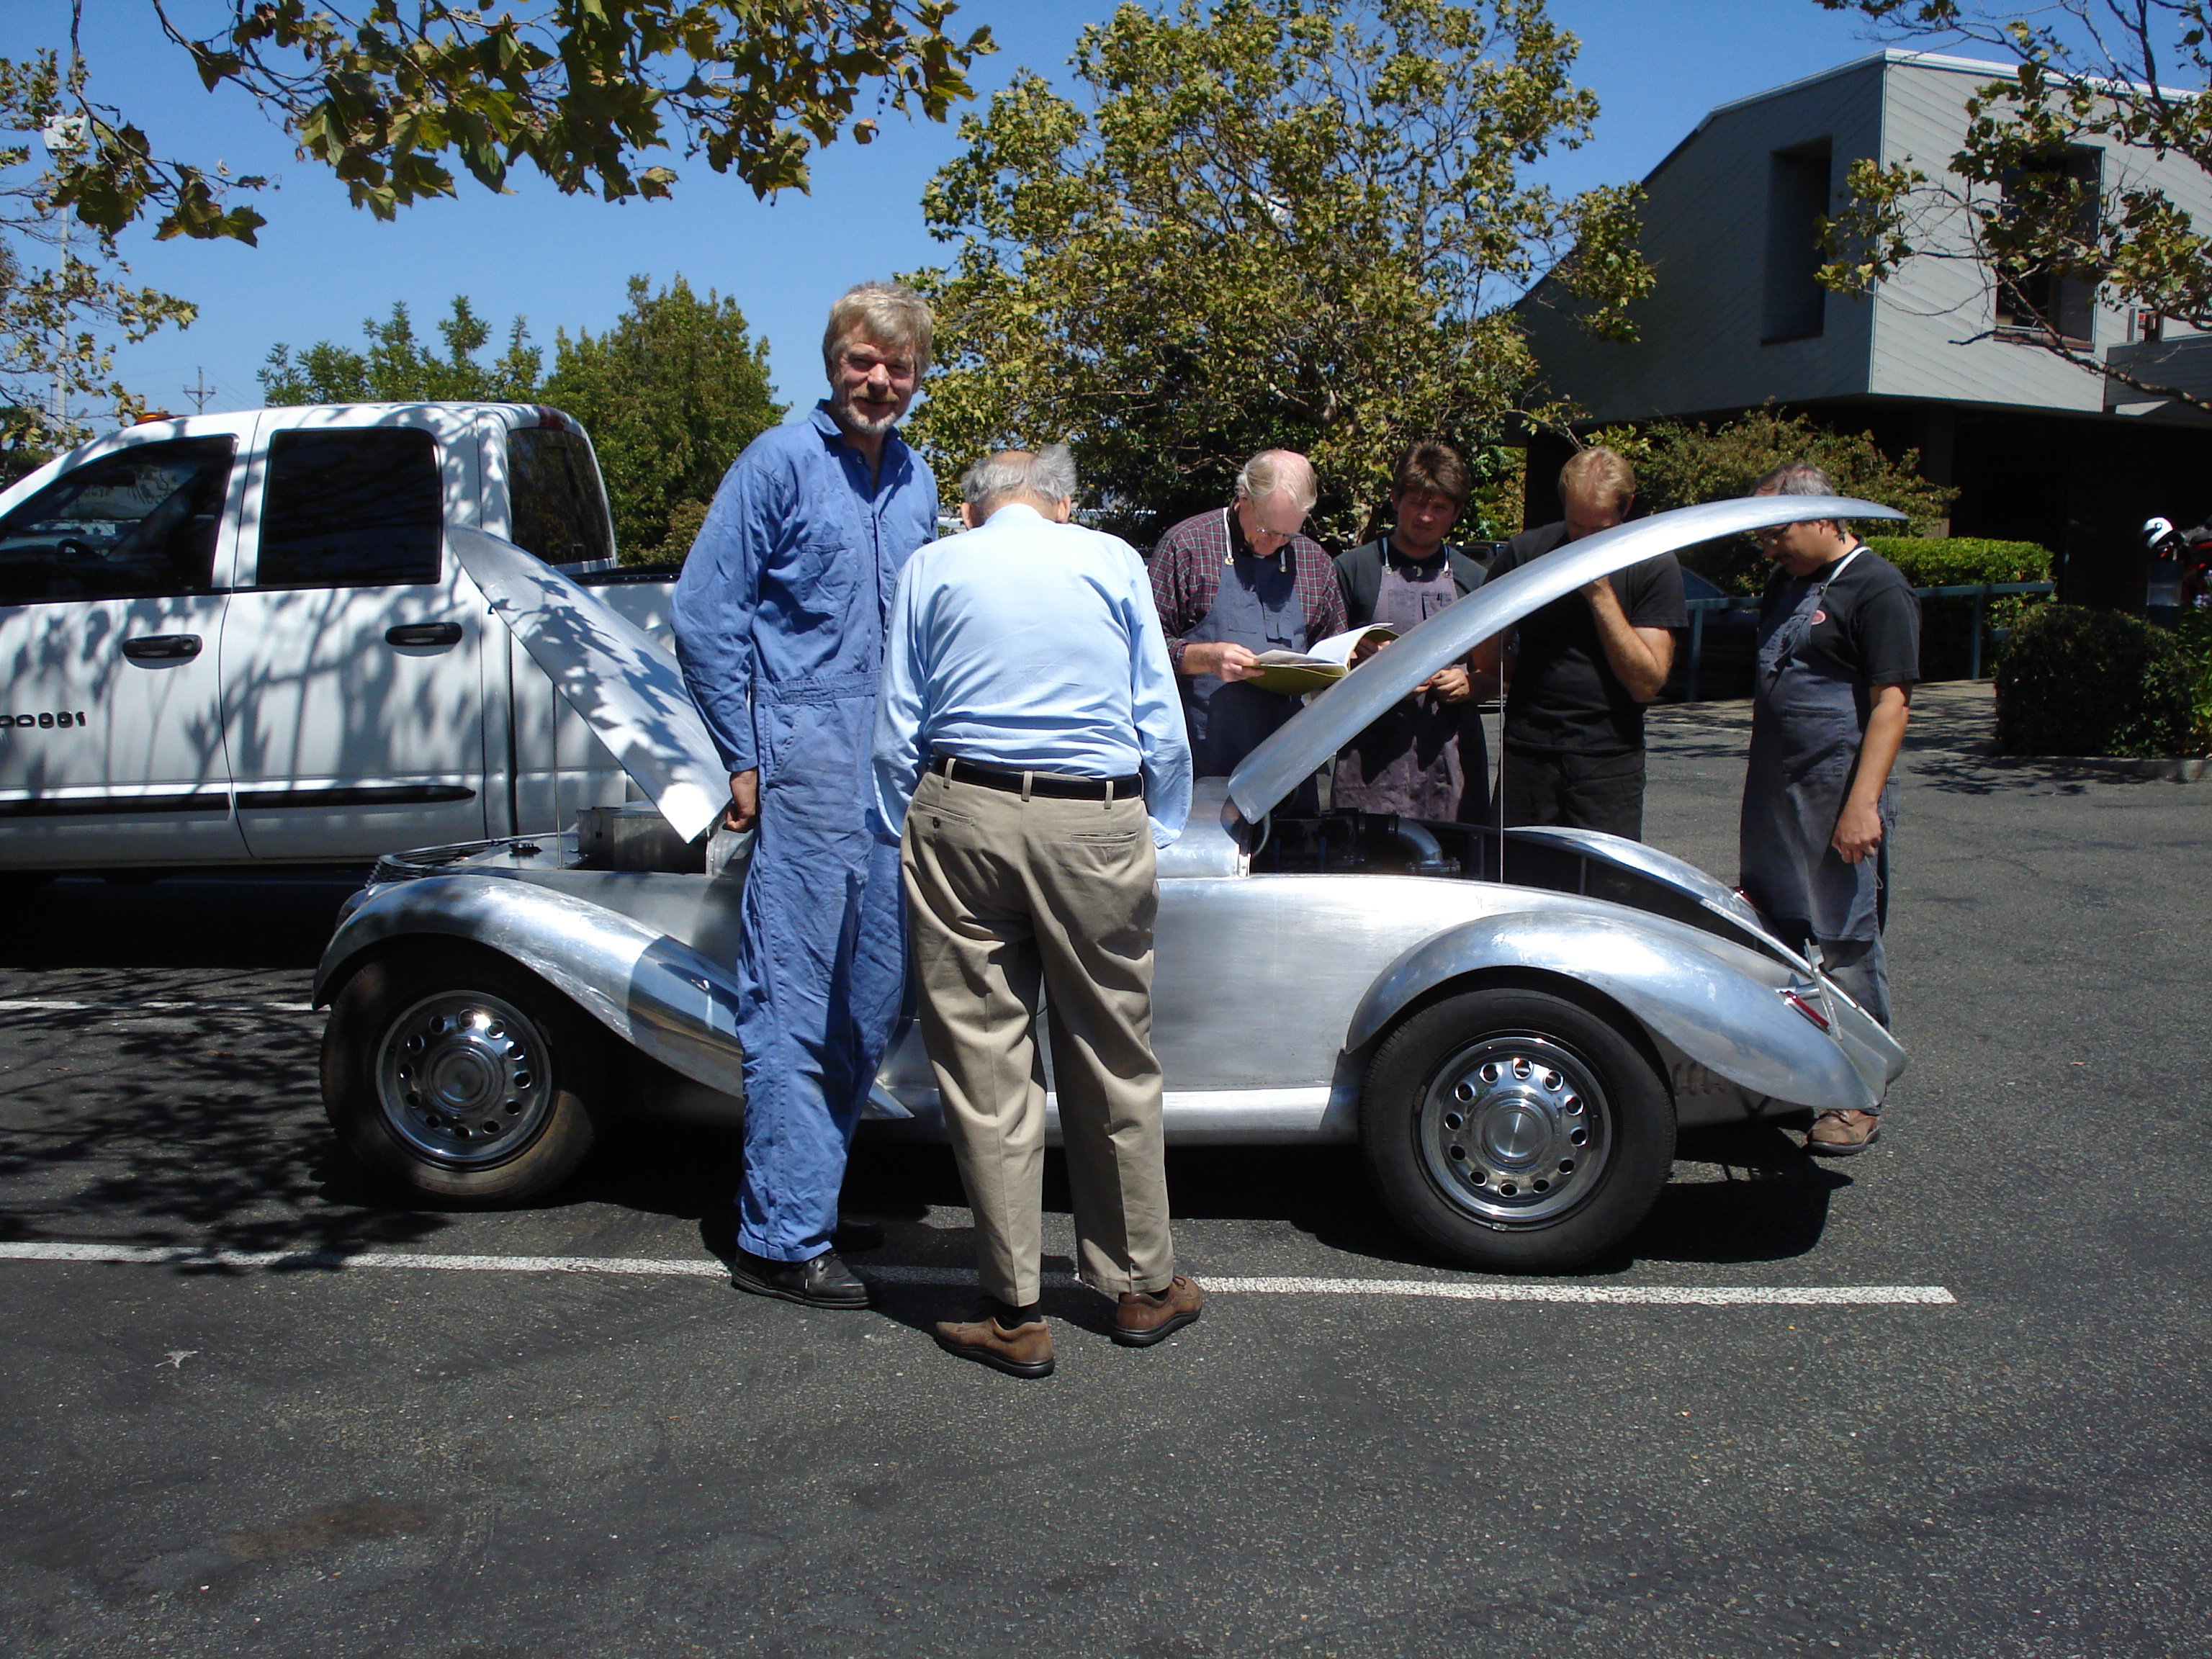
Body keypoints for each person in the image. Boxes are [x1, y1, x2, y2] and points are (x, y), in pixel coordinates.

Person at [871, 446, 1197, 1380]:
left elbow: (896, 725)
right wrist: (1158, 822)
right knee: (1112, 1050)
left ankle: (1015, 1310)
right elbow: (1157, 711)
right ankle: (1141, 1286)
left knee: (985, 1061)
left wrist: (901, 822)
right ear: (1063, 504)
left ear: (970, 512)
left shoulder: (933, 565)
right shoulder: (1110, 558)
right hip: (1094, 815)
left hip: (963, 809)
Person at [672, 282, 940, 1309]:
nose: (878, 381)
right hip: (807, 766)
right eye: (862, 362)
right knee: (797, 999)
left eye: (897, 367)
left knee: (874, 999)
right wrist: (742, 758)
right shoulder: (778, 463)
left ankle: (806, 1196)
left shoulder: (916, 479)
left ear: (916, 377)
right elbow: (707, 615)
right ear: (833, 363)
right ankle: (779, 1241)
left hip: (896, 774)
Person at [1740, 462, 1920, 1155]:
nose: (1769, 546)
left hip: (1835, 789)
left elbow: (1891, 704)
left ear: (1823, 517)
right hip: (1775, 788)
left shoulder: (1878, 587)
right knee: (1774, 932)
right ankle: (1792, 1072)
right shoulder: (1783, 583)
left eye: (1778, 532)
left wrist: (1862, 805)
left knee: (1845, 940)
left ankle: (1857, 1095)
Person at [1475, 447, 1685, 840]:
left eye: (1598, 529)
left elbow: (1646, 683)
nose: (1584, 539)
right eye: (1576, 525)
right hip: (1529, 754)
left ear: (1626, 508)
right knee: (1521, 871)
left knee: (1602, 876)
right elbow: (1487, 658)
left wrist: (1600, 594)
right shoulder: (1528, 553)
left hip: (1608, 761)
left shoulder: (1653, 563)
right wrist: (1523, 660)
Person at [1148, 450, 1346, 794]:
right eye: (1268, 530)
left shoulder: (1314, 562)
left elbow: (1335, 654)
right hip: (1200, 767)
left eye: (1288, 535)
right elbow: (1143, 651)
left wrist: (1349, 659)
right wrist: (1206, 658)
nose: (1276, 543)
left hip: (1286, 769)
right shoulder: (1187, 546)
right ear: (1243, 497)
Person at [1331, 440, 1495, 821]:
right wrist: (1366, 666)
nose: (1425, 516)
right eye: (1416, 503)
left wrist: (1470, 684)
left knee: (1453, 853)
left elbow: (1499, 674)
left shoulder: (1475, 580)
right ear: (1395, 499)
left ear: (1456, 512)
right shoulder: (1354, 570)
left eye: (1439, 508)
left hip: (1452, 763)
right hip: (1369, 762)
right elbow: (1323, 668)